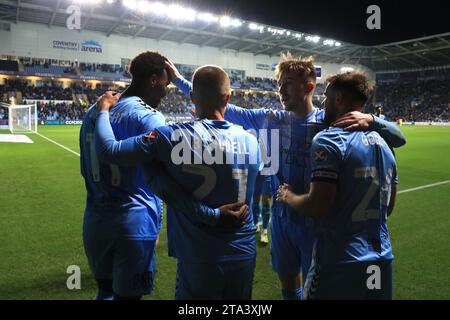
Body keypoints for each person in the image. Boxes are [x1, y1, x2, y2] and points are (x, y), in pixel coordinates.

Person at [165, 53, 406, 300]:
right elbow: (219, 102)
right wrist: (179, 80)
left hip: (316, 222)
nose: (280, 89)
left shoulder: (329, 122)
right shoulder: (271, 119)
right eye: (279, 83)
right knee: (288, 283)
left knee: (313, 282)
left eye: (287, 83)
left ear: (309, 86)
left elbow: (398, 137)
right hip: (281, 219)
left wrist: (372, 119)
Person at [80, 52, 244, 300]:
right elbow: (163, 183)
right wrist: (210, 215)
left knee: (104, 291)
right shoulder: (149, 117)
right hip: (134, 222)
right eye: (166, 84)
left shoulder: (95, 111)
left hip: (94, 223)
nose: (166, 92)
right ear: (154, 80)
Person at [277, 71, 397, 299]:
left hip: (340, 261)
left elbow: (317, 206)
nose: (323, 102)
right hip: (381, 259)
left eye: (327, 97)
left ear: (338, 99)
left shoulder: (328, 139)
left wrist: (288, 196)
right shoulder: (385, 144)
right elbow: (389, 207)